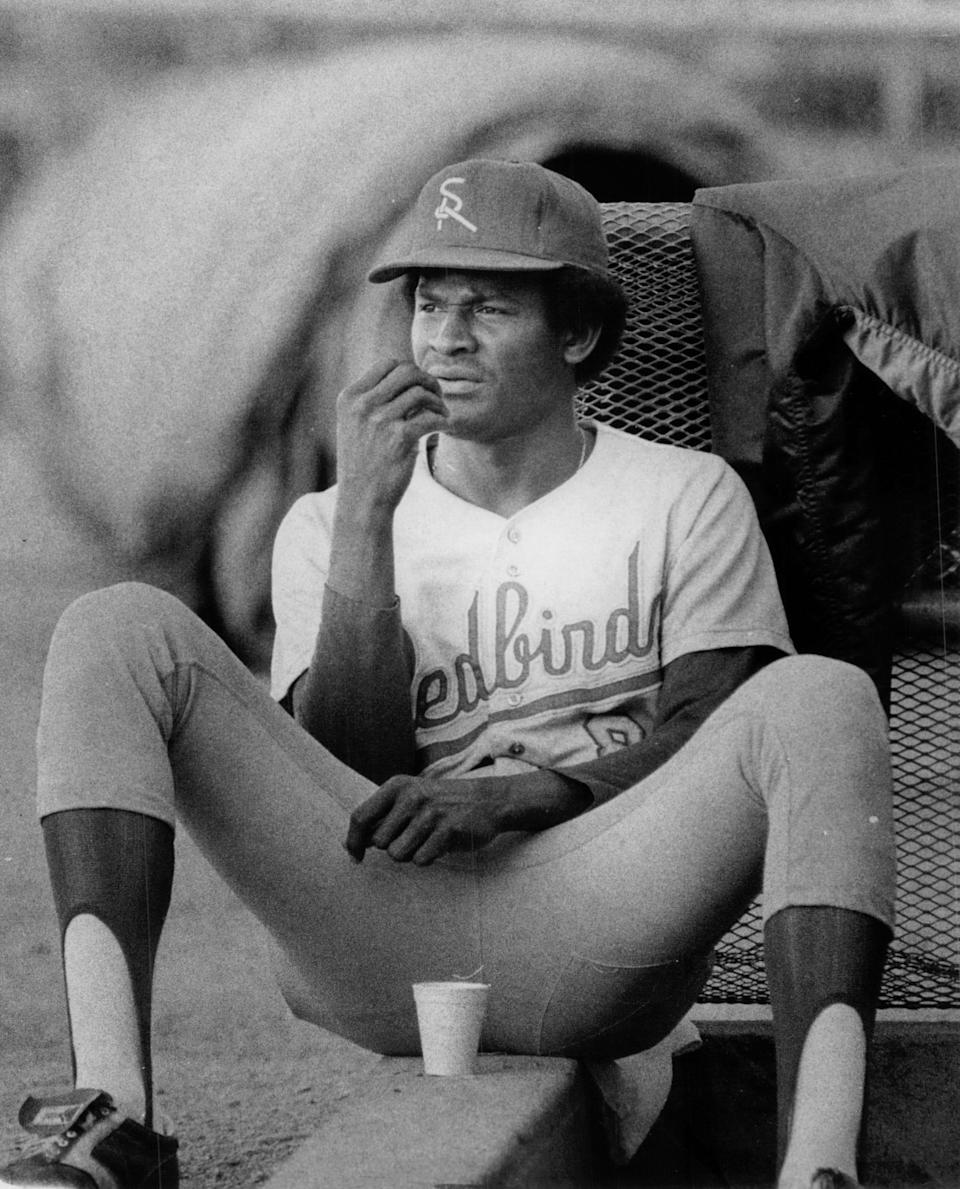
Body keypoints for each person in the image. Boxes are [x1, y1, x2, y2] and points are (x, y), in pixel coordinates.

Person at [0, 158, 894, 1189]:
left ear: (576, 332)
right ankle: (114, 1119)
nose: (446, 336)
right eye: (429, 303)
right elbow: (342, 779)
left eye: (487, 304)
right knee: (117, 627)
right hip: (379, 936)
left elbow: (716, 725)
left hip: (600, 914)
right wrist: (366, 528)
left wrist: (525, 794)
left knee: (823, 694)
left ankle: (820, 1167)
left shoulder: (681, 497)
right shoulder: (326, 527)